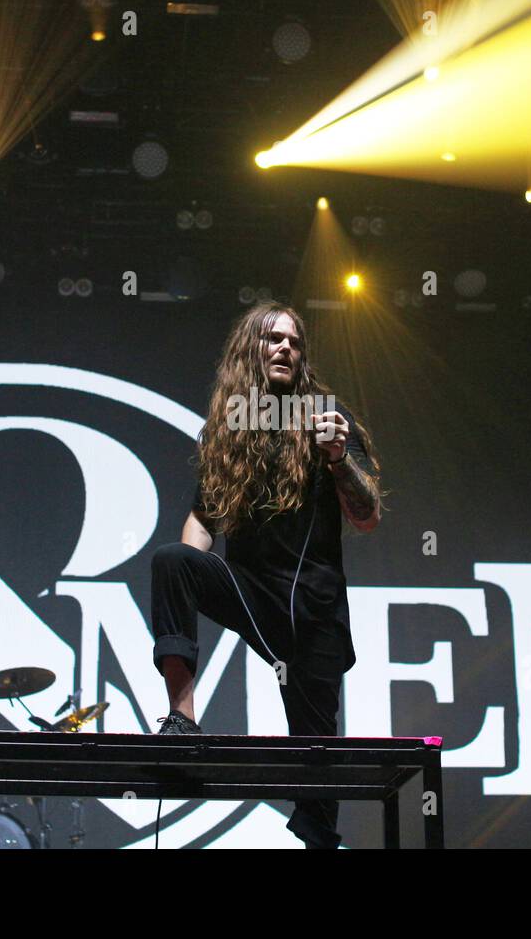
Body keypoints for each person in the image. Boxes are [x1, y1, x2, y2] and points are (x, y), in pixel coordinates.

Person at [149, 302, 383, 848]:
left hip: (315, 605)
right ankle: (181, 719)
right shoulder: (231, 429)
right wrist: (197, 570)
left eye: (293, 342)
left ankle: (317, 837)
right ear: (249, 351)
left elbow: (368, 516)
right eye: (271, 339)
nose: (283, 348)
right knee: (171, 559)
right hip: (252, 592)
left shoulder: (329, 416)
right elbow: (203, 520)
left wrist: (338, 457)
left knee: (316, 764)